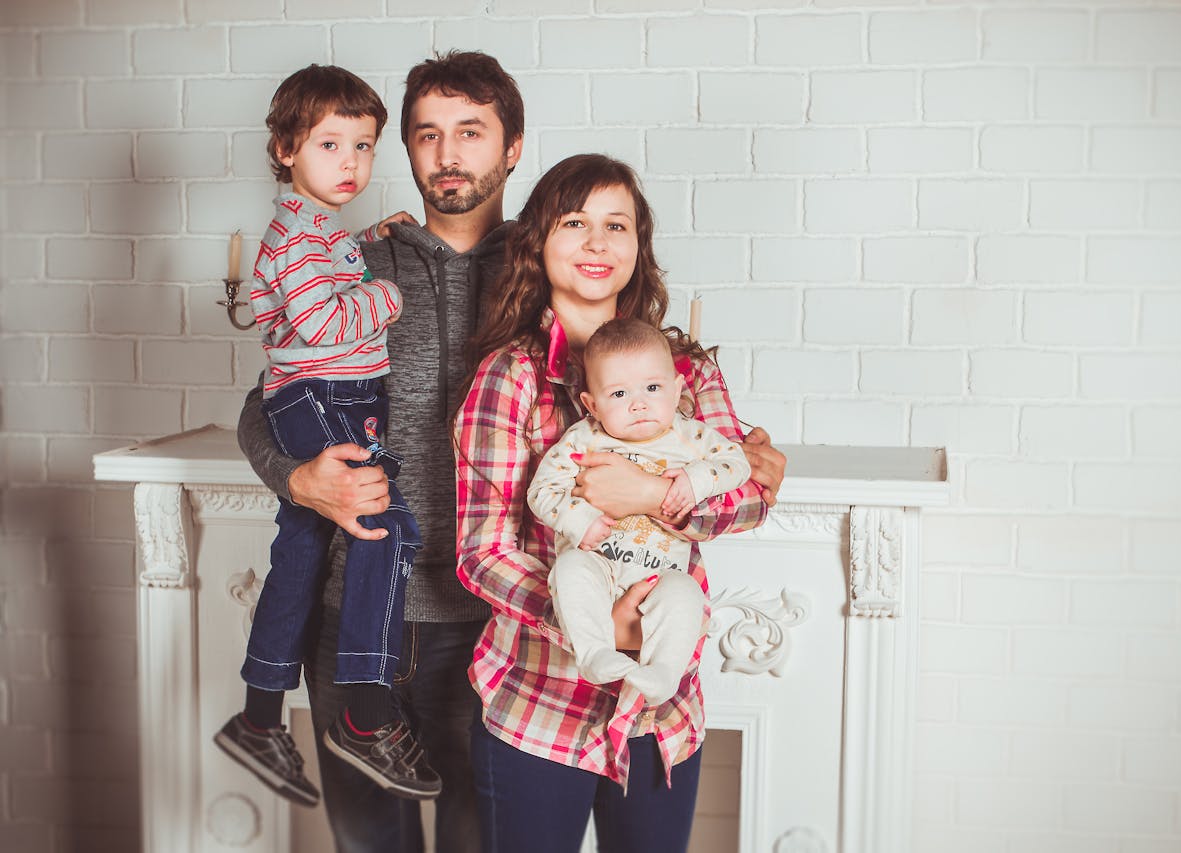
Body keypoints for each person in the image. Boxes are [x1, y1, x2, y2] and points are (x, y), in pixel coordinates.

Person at [454, 153, 787, 853]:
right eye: (575, 223)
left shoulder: (685, 368)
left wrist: (656, 494)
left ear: (640, 246)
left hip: (663, 711)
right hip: (541, 701)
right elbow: (481, 551)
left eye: (617, 225)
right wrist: (595, 622)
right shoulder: (509, 376)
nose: (598, 243)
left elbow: (750, 497)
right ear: (539, 243)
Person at [236, 51, 525, 853]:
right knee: (370, 844)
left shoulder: (548, 269)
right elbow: (266, 405)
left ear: (513, 147)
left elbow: (627, 384)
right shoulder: (354, 259)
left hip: (494, 621)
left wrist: (737, 439)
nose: (447, 153)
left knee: (483, 840)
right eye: (427, 134)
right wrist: (298, 478)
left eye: (470, 132)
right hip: (361, 615)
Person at [215, 63, 440, 806]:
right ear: (285, 148)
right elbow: (323, 319)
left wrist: (370, 241)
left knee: (304, 552)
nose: (350, 163)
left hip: (326, 394)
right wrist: (389, 293)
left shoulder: (319, 230)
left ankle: (258, 715)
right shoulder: (294, 237)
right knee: (384, 529)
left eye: (364, 147)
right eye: (330, 145)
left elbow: (326, 273)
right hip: (321, 398)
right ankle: (364, 714)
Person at [526, 317, 750, 705]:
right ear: (591, 405)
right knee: (570, 571)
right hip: (599, 566)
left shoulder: (690, 436)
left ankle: (663, 672)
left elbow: (738, 464)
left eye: (652, 387)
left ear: (678, 389)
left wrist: (695, 480)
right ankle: (594, 652)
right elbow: (542, 490)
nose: (639, 403)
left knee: (686, 594)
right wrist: (579, 520)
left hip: (659, 575)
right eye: (618, 394)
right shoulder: (583, 439)